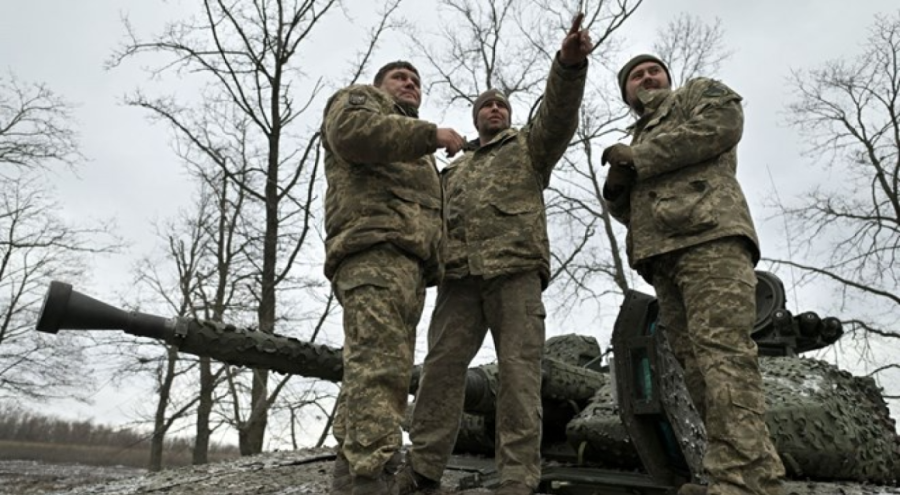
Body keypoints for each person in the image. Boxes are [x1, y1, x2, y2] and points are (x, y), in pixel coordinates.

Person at [396, 14, 592, 495]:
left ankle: (517, 477)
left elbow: (558, 115)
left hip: (515, 275)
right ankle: (422, 469)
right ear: (474, 118)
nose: (495, 110)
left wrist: (567, 68)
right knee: (440, 370)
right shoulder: (452, 172)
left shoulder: (528, 148)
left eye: (501, 105)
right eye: (486, 106)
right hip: (459, 280)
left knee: (519, 376)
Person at [600, 54, 786, 495]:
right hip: (663, 257)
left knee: (724, 356)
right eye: (635, 77)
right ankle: (739, 476)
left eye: (653, 71)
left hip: (711, 239)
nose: (646, 78)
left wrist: (638, 158)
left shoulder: (697, 96)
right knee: (696, 368)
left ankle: (743, 481)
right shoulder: (639, 135)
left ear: (668, 77)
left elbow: (720, 127)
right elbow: (637, 211)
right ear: (627, 95)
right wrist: (617, 192)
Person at [321, 61, 465, 495]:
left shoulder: (413, 150)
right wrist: (429, 133)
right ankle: (374, 476)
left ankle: (352, 478)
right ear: (381, 86)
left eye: (416, 81)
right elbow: (352, 133)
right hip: (374, 254)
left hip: (408, 267)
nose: (409, 84)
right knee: (380, 370)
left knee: (373, 370)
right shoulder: (361, 101)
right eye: (400, 78)